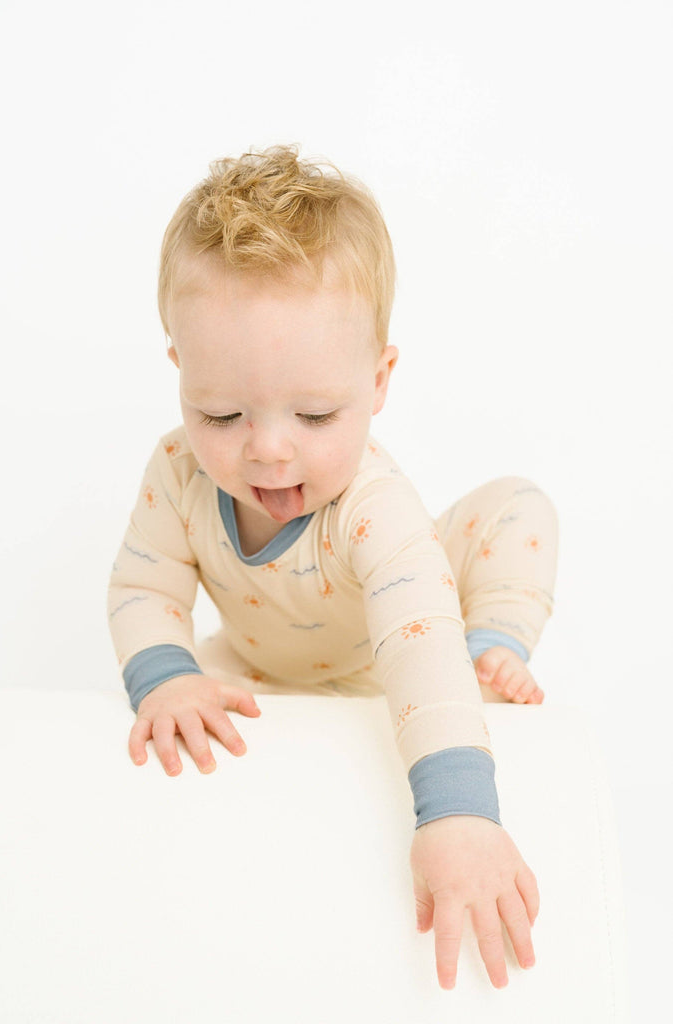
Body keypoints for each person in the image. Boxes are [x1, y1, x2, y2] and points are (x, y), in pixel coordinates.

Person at [107, 145, 558, 991]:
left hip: (407, 636)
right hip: (261, 664)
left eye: (315, 415)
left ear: (378, 380)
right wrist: (166, 679)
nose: (268, 450)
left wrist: (459, 814)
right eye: (221, 413)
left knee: (518, 508)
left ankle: (493, 643)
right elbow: (143, 584)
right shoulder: (177, 471)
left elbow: (416, 643)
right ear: (180, 370)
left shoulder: (374, 505)